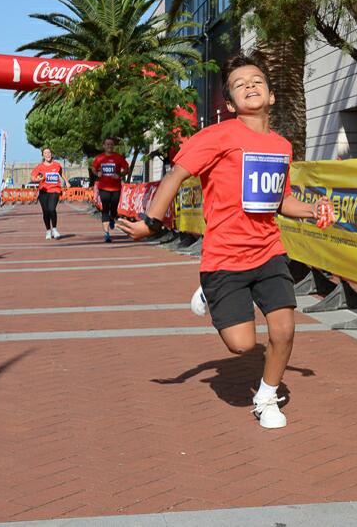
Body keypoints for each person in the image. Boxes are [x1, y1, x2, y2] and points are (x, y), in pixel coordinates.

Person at [119, 54, 335, 429]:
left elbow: (279, 200)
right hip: (224, 257)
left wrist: (312, 210)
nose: (250, 85)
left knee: (284, 329)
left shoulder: (282, 146)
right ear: (231, 104)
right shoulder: (217, 136)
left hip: (269, 250)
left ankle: (266, 396)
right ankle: (209, 290)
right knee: (242, 346)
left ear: (271, 96)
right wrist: (151, 222)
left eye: (257, 80)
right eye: (240, 84)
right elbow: (175, 176)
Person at [91, 138, 130, 242]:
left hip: (116, 187)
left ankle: (112, 218)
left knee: (113, 208)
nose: (109, 146)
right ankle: (107, 233)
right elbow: (93, 168)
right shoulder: (99, 158)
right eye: (107, 144)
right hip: (103, 187)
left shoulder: (118, 157)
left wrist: (120, 175)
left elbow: (127, 168)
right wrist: (97, 173)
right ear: (103, 146)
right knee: (105, 208)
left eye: (111, 144)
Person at [31, 147, 70, 239]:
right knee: (45, 212)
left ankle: (55, 229)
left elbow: (61, 173)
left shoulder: (57, 165)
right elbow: (32, 177)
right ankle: (48, 231)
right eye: (45, 153)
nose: (47, 154)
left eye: (49, 153)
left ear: (52, 154)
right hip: (43, 191)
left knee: (52, 209)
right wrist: (37, 179)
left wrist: (67, 181)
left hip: (55, 190)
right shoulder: (39, 166)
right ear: (43, 155)